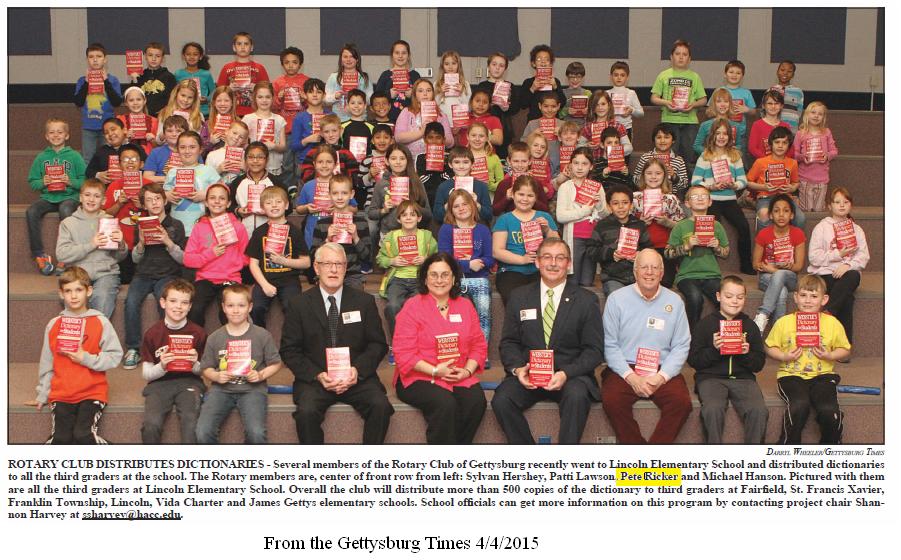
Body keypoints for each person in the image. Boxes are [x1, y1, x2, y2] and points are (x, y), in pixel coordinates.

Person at [493, 238, 604, 444]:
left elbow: (594, 350)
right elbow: (509, 342)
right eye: (547, 257)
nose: (553, 263)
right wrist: (518, 370)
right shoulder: (519, 296)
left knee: (577, 396)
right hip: (530, 374)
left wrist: (565, 373)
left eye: (560, 258)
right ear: (537, 262)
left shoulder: (586, 300)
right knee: (502, 399)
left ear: (568, 264)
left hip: (569, 376)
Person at [280, 242, 393, 444]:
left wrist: (357, 370)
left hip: (356, 376)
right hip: (317, 378)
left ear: (345, 268)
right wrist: (317, 375)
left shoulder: (364, 302)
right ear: (316, 268)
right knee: (306, 413)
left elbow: (378, 344)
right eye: (327, 264)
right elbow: (290, 350)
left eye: (339, 264)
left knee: (381, 406)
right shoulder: (298, 304)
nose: (333, 269)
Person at [392, 253, 487, 444]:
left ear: (454, 278)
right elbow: (404, 352)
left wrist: (467, 371)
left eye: (445, 275)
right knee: (445, 404)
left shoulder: (465, 306)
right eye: (433, 275)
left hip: (458, 374)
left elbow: (478, 345)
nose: (439, 280)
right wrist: (435, 371)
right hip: (419, 376)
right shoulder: (412, 306)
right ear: (425, 278)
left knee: (476, 401)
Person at [601, 249, 692, 444]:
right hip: (626, 367)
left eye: (655, 268)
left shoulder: (675, 301)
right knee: (612, 400)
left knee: (682, 403)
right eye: (644, 267)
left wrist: (661, 377)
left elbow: (681, 345)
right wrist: (632, 377)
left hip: (661, 367)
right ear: (635, 272)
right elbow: (610, 344)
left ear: (662, 272)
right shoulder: (616, 299)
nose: (649, 272)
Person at [35, 266, 123, 444]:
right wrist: (43, 393)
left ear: (88, 291)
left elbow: (114, 356)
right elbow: (47, 362)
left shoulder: (100, 322)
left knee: (83, 436)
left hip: (92, 392)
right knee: (61, 439)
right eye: (68, 291)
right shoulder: (54, 324)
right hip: (61, 393)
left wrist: (86, 358)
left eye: (78, 290)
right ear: (61, 294)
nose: (73, 296)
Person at [765, 274, 849, 444]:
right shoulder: (784, 322)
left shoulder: (832, 323)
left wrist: (830, 355)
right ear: (796, 297)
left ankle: (831, 445)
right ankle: (789, 446)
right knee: (799, 405)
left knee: (828, 410)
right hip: (791, 375)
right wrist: (783, 356)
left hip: (823, 376)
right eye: (803, 295)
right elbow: (769, 346)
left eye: (814, 296)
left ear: (824, 300)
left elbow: (845, 349)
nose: (808, 301)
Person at [196, 284, 282, 444]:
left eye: (241, 305)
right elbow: (206, 368)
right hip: (221, 390)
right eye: (230, 306)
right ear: (223, 307)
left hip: (253, 390)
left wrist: (261, 375)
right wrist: (216, 376)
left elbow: (276, 364)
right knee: (203, 431)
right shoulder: (214, 337)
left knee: (256, 433)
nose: (235, 310)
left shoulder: (262, 335)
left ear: (250, 307)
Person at [687, 275, 767, 444]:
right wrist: (714, 350)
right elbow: (694, 360)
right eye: (729, 296)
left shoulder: (750, 326)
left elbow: (759, 363)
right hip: (711, 378)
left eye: (740, 297)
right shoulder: (705, 324)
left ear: (745, 299)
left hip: (743, 378)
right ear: (718, 296)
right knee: (713, 410)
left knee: (758, 410)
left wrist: (745, 353)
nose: (734, 301)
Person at [123, 183, 186, 369]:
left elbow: (183, 259)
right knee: (131, 302)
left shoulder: (176, 225)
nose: (154, 203)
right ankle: (133, 348)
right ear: (144, 205)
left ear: (165, 201)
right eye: (149, 200)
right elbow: (135, 259)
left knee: (165, 302)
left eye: (157, 198)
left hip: (168, 273)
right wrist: (141, 244)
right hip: (143, 274)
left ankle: (165, 346)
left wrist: (168, 241)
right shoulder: (140, 225)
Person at [139, 279, 207, 444]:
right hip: (159, 384)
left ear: (190, 306)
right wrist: (162, 366)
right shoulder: (152, 334)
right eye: (173, 301)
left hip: (190, 382)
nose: (178, 306)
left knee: (191, 423)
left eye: (184, 302)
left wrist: (195, 364)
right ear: (163, 303)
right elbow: (146, 374)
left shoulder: (199, 333)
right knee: (151, 425)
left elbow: (205, 371)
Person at [55, 179, 127, 318]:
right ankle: (77, 330)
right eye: (87, 195)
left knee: (102, 296)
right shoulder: (68, 223)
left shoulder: (109, 221)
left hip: (106, 273)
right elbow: (62, 254)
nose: (91, 199)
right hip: (78, 273)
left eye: (96, 196)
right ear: (80, 198)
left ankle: (96, 331)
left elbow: (119, 257)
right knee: (73, 298)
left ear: (104, 200)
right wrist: (91, 245)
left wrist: (121, 244)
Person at [806, 187, 869, 346]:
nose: (841, 205)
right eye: (837, 202)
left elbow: (863, 256)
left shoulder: (857, 230)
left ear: (851, 205)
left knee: (853, 275)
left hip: (847, 275)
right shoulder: (821, 227)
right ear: (830, 206)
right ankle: (844, 346)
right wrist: (838, 255)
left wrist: (848, 264)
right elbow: (813, 257)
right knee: (846, 298)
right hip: (824, 275)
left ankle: (828, 312)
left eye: (846, 202)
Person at [691, 117, 753, 274]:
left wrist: (734, 185)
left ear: (729, 137)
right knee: (710, 231)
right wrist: (711, 186)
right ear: (712, 135)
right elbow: (695, 181)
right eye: (718, 133)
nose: (721, 137)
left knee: (744, 227)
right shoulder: (705, 156)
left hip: (730, 200)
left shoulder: (735, 156)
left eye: (725, 134)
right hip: (711, 200)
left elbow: (743, 181)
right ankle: (708, 265)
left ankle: (746, 265)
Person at [184, 183, 250, 328]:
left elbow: (247, 258)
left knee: (230, 313)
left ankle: (232, 342)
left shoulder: (238, 227)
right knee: (195, 310)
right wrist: (210, 254)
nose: (217, 201)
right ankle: (199, 342)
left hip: (230, 278)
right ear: (206, 202)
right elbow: (188, 259)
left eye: (222, 198)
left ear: (229, 203)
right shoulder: (199, 227)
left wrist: (232, 260)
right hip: (205, 279)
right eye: (212, 198)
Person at [26, 118, 86, 275]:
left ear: (67, 135)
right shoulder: (41, 157)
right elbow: (32, 182)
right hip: (48, 197)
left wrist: (71, 182)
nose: (56, 135)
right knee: (32, 211)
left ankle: (66, 254)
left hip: (69, 197)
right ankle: (39, 255)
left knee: (65, 208)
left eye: (60, 132)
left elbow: (85, 181)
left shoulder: (75, 156)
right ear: (46, 136)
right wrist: (42, 182)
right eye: (52, 132)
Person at [665, 185, 729, 330]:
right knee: (695, 298)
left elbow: (726, 253)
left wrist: (717, 247)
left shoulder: (717, 226)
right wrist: (686, 247)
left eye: (704, 196)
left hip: (712, 275)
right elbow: (668, 253)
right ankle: (693, 336)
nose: (700, 198)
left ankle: (721, 334)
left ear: (710, 202)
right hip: (687, 275)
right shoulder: (680, 226)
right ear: (687, 203)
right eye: (695, 196)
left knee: (723, 299)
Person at [246, 185, 310, 328]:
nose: (274, 205)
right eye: (269, 203)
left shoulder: (295, 231)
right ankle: (262, 337)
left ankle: (290, 340)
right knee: (256, 308)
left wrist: (283, 261)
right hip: (265, 279)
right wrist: (264, 285)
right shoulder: (259, 232)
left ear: (286, 205)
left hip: (289, 280)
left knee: (292, 307)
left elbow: (306, 262)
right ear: (262, 208)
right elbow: (253, 264)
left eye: (278, 202)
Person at [492, 175, 560, 305]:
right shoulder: (504, 219)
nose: (525, 199)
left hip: (540, 270)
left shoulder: (544, 217)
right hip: (511, 271)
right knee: (516, 299)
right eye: (521, 194)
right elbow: (497, 251)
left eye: (530, 196)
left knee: (545, 300)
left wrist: (547, 230)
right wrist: (522, 260)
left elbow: (558, 247)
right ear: (513, 194)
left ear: (536, 197)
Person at [438, 189, 494, 347]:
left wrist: (479, 263)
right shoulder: (446, 230)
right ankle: (455, 350)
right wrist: (468, 265)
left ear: (472, 205)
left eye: (465, 204)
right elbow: (444, 259)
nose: (461, 208)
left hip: (479, 279)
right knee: (454, 315)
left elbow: (490, 259)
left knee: (484, 313)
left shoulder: (482, 230)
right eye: (456, 206)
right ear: (451, 210)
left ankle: (481, 351)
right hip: (453, 280)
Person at [752, 195, 807, 335]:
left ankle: (763, 314)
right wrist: (767, 267)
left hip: (789, 277)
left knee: (780, 274)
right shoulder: (764, 234)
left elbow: (799, 266)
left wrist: (786, 266)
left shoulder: (798, 234)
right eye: (776, 211)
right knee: (781, 292)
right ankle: (779, 334)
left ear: (792, 215)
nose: (781, 215)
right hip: (766, 277)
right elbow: (755, 264)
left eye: (786, 211)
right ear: (770, 215)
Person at [586, 184, 653, 296]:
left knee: (646, 297)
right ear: (609, 206)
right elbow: (591, 250)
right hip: (613, 278)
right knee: (618, 296)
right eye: (615, 203)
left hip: (638, 277)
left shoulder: (639, 225)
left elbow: (649, 249)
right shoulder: (602, 226)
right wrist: (611, 254)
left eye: (625, 202)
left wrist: (640, 255)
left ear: (631, 205)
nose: (621, 207)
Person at [554, 147, 608, 285]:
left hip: (592, 239)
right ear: (570, 165)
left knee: (587, 281)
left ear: (591, 166)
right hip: (574, 238)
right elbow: (561, 216)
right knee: (572, 278)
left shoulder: (596, 187)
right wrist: (585, 211)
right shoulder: (565, 187)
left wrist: (599, 204)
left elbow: (604, 215)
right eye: (576, 163)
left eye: (584, 164)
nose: (579, 167)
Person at [650, 39, 707, 166]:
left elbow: (703, 100)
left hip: (690, 122)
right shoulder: (663, 75)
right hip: (669, 121)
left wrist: (693, 105)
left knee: (690, 156)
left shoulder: (695, 77)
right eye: (677, 54)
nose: (681, 57)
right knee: (669, 157)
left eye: (684, 54)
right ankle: (670, 178)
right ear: (671, 57)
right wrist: (666, 102)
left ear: (689, 59)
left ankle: (688, 179)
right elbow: (654, 98)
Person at [632, 157, 684, 288]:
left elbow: (683, 227)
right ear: (643, 175)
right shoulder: (635, 198)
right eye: (649, 173)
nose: (653, 177)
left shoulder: (671, 199)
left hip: (664, 248)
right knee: (640, 280)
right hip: (641, 247)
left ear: (664, 176)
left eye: (658, 173)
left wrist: (668, 223)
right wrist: (640, 222)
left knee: (665, 282)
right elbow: (626, 226)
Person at [162, 130, 221, 236]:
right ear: (177, 150)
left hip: (203, 227)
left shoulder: (208, 170)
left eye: (192, 147)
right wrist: (166, 196)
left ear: (200, 149)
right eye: (182, 147)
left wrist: (206, 194)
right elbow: (162, 196)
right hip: (177, 228)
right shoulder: (172, 172)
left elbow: (223, 191)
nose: (187, 151)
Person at [746, 125, 804, 229]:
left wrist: (792, 188)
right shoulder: (760, 162)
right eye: (777, 142)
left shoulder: (792, 163)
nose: (780, 146)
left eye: (784, 143)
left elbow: (796, 182)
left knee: (800, 218)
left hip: (785, 198)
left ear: (789, 145)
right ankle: (764, 239)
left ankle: (791, 239)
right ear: (771, 144)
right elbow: (748, 182)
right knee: (764, 215)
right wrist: (764, 187)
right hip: (765, 198)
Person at [74, 42, 122, 165]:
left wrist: (105, 81)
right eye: (91, 57)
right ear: (87, 60)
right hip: (88, 126)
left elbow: (117, 102)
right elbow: (78, 102)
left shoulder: (112, 80)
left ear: (105, 59)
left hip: (108, 126)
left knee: (107, 158)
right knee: (87, 158)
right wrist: (86, 82)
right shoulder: (81, 81)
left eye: (99, 56)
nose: (95, 60)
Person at [794, 102, 838, 212]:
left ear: (823, 117)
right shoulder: (800, 133)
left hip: (822, 178)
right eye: (813, 112)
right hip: (805, 178)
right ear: (807, 114)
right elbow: (794, 153)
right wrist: (802, 157)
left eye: (820, 114)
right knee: (807, 209)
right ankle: (796, 201)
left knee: (818, 210)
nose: (816, 116)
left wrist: (827, 156)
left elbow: (834, 151)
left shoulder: (826, 132)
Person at [475, 52, 521, 159]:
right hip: (485, 126)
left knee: (502, 159)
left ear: (505, 69)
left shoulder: (510, 86)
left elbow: (516, 108)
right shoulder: (482, 86)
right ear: (488, 66)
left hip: (504, 127)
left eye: (501, 65)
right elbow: (475, 106)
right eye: (494, 64)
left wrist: (507, 108)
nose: (497, 68)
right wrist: (488, 105)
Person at [242, 81, 289, 185]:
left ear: (273, 98)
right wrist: (254, 147)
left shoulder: (279, 119)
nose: (264, 100)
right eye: (260, 97)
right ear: (254, 98)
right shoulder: (247, 119)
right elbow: (242, 144)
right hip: (253, 165)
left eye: (268, 97)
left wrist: (274, 146)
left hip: (273, 165)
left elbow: (283, 147)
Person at [394, 78, 454, 159]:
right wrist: (421, 132)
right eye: (420, 91)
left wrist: (438, 136)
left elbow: (451, 142)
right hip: (410, 159)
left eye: (428, 90)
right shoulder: (406, 112)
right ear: (415, 94)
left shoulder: (441, 114)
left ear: (433, 93)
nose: (425, 94)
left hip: (434, 159)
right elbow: (398, 138)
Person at [216, 31, 270, 117]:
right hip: (232, 112)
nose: (243, 47)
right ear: (234, 47)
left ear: (251, 47)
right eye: (239, 44)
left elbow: (269, 91)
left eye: (246, 44)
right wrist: (229, 89)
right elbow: (218, 92)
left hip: (255, 113)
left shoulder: (259, 68)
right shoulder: (227, 68)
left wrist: (257, 88)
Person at [631, 123, 689, 201]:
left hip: (669, 199)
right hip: (647, 198)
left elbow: (684, 184)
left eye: (666, 137)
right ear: (654, 140)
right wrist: (646, 174)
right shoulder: (646, 157)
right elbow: (635, 179)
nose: (662, 141)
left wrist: (674, 176)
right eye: (659, 137)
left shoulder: (678, 160)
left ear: (673, 140)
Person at [374, 40, 421, 122]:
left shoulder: (415, 75)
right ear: (392, 55)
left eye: (404, 53)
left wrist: (413, 95)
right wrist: (389, 94)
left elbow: (424, 98)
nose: (400, 56)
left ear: (408, 55)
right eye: (397, 53)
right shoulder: (385, 75)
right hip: (389, 118)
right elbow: (375, 98)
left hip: (411, 119)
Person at [325, 43, 373, 122]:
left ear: (357, 59)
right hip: (338, 120)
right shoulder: (334, 77)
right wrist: (335, 96)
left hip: (359, 119)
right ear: (341, 60)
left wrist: (359, 95)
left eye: (352, 56)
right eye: (345, 57)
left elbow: (370, 100)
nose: (348, 59)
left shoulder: (364, 78)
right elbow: (326, 100)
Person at [126, 42, 176, 118]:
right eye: (150, 55)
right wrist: (134, 80)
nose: (153, 59)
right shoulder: (140, 76)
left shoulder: (169, 77)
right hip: (142, 116)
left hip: (162, 117)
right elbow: (132, 96)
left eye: (158, 56)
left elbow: (173, 99)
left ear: (163, 58)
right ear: (145, 56)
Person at [519, 44, 566, 122]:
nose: (543, 61)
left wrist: (555, 87)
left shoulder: (555, 81)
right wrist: (532, 89)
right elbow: (523, 105)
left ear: (551, 64)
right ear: (533, 63)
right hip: (534, 122)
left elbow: (562, 103)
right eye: (539, 59)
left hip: (552, 122)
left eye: (547, 59)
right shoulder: (528, 82)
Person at [288, 78, 329, 165]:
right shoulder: (299, 118)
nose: (315, 95)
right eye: (310, 92)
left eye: (318, 92)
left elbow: (338, 142)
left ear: (324, 95)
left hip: (328, 162)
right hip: (305, 162)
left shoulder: (331, 116)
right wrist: (307, 140)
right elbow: (294, 146)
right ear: (304, 95)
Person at [174, 42, 216, 118]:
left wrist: (206, 99)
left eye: (195, 54)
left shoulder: (206, 74)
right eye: (188, 54)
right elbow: (175, 93)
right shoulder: (178, 74)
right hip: (183, 113)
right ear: (183, 56)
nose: (192, 57)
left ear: (200, 56)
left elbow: (214, 91)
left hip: (203, 112)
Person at [607, 61, 644, 140]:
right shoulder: (606, 94)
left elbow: (641, 113)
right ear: (611, 76)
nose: (619, 78)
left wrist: (631, 110)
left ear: (627, 77)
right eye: (616, 75)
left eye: (622, 75)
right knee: (609, 148)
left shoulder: (631, 93)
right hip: (610, 129)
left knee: (626, 148)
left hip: (626, 129)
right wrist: (609, 112)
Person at [118, 86, 159, 157]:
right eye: (131, 100)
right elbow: (116, 144)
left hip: (149, 157)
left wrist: (153, 140)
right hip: (127, 157)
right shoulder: (120, 120)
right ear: (126, 103)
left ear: (144, 101)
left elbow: (158, 147)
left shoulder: (154, 121)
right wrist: (126, 138)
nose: (135, 103)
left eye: (138, 99)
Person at [768, 60, 804, 133]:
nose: (785, 73)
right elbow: (764, 111)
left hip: (792, 130)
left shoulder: (798, 92)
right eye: (782, 70)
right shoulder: (770, 90)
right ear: (777, 72)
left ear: (793, 75)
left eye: (789, 71)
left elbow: (799, 113)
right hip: (773, 130)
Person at [559, 61, 591, 127]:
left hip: (583, 127)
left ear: (583, 77)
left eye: (578, 77)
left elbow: (594, 113)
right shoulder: (561, 93)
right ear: (567, 77)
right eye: (572, 77)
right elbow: (556, 113)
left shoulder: (587, 93)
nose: (575, 80)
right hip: (566, 127)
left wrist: (588, 112)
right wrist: (567, 111)